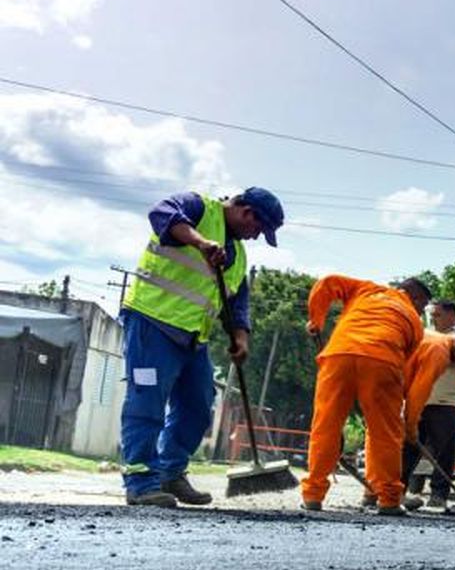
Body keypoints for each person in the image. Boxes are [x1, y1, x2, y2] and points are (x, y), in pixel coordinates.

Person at [119, 187, 285, 507]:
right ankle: (140, 482)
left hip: (194, 338)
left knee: (198, 405)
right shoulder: (197, 207)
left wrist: (241, 338)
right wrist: (200, 242)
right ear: (247, 212)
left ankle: (170, 472)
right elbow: (160, 214)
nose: (254, 237)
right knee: (147, 402)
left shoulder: (237, 255)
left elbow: (237, 303)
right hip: (152, 322)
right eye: (257, 229)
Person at [301, 276, 430, 515]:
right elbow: (405, 363)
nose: (421, 312)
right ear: (416, 298)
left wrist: (316, 320)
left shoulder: (366, 289)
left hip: (339, 354)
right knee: (385, 433)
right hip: (383, 361)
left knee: (325, 426)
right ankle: (389, 499)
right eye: (423, 306)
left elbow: (327, 283)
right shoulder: (414, 322)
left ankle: (313, 495)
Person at [401, 327, 455, 508]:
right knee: (409, 448)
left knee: (446, 452)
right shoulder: (438, 348)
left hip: (448, 406)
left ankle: (439, 495)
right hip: (423, 402)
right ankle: (397, 490)